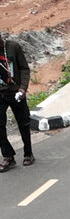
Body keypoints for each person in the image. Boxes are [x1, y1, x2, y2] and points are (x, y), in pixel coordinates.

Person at [0, 31, 33, 170]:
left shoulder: (13, 47)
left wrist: (22, 89)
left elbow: (25, 68)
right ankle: (8, 156)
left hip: (16, 92)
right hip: (0, 94)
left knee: (23, 123)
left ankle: (28, 153)